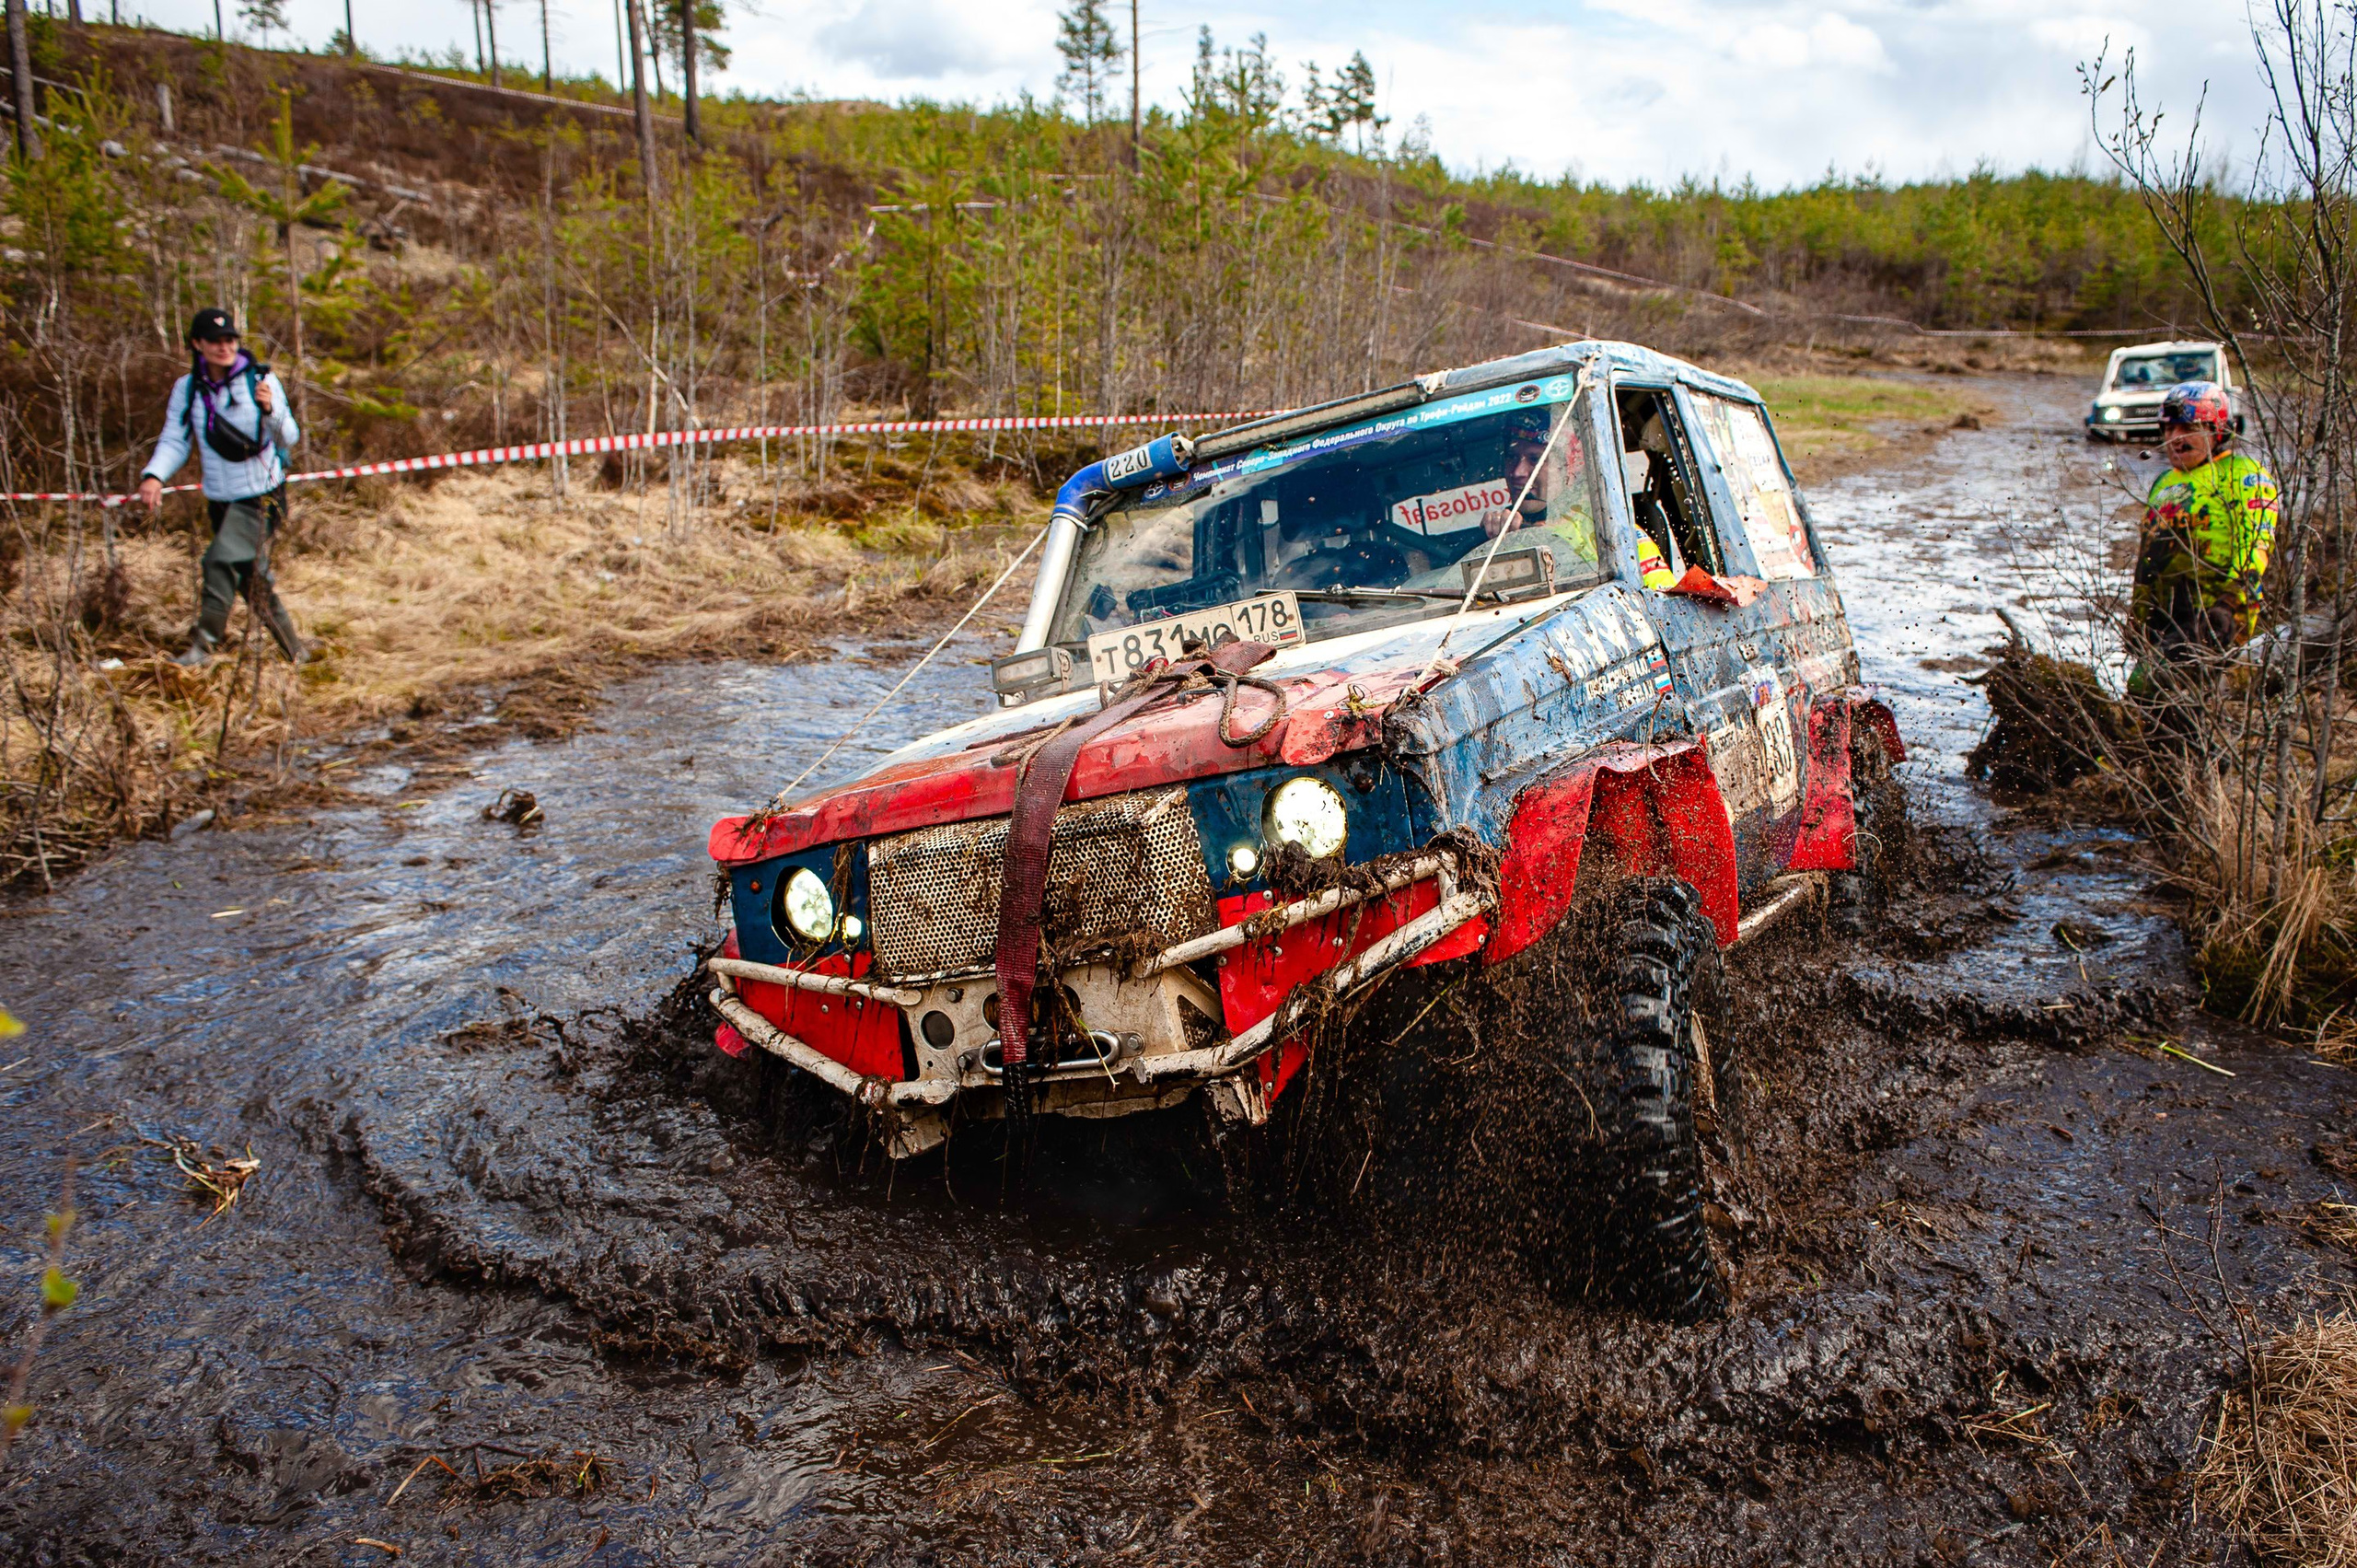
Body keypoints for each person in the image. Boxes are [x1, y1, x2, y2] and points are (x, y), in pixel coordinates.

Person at [136, 308, 306, 667]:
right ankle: (296, 651)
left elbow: (289, 436)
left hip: (262, 497)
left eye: (230, 339)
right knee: (250, 577)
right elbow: (175, 440)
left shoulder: (261, 380)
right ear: (197, 344)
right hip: (221, 500)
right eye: (214, 341)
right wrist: (154, 475)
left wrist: (271, 409)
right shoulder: (188, 389)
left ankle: (202, 648)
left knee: (218, 562)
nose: (224, 346)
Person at [2131, 379, 2276, 668]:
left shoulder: (2244, 474)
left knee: (2166, 691)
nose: (2175, 437)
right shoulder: (2163, 482)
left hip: (2216, 619)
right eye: (2169, 428)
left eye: (2188, 428)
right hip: (2163, 618)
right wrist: (2136, 619)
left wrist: (2228, 607)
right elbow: (2147, 556)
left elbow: (2256, 545)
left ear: (2216, 431)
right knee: (2142, 695)